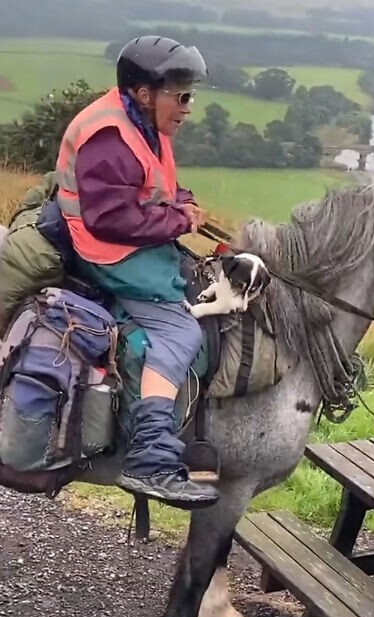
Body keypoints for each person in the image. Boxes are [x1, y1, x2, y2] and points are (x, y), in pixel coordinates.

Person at [54, 35, 218, 509]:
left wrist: (181, 202)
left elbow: (154, 185)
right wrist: (177, 220)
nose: (188, 107)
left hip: (122, 242)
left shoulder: (143, 126)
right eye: (181, 95)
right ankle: (149, 457)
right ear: (145, 93)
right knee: (181, 332)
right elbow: (109, 216)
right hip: (103, 249)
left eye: (191, 95)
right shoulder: (109, 135)